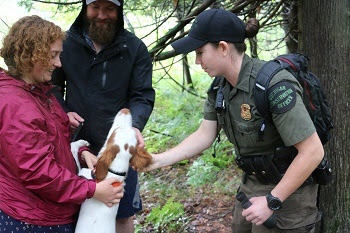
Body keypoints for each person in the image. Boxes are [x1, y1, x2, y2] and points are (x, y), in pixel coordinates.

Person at [142, 9, 324, 233]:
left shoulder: (274, 85)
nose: (197, 61)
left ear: (223, 47)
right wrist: (157, 160)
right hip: (250, 189)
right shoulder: (220, 88)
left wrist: (272, 200)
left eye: (200, 52)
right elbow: (204, 134)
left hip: (290, 198)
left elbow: (313, 151)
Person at [0, 15, 124, 233]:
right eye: (52, 56)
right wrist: (93, 190)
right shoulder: (16, 105)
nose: (58, 64)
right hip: (31, 220)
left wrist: (80, 152)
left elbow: (54, 141)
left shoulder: (39, 92)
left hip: (50, 209)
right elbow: (38, 172)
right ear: (31, 56)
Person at [51, 0, 155, 232]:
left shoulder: (134, 48)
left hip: (117, 149)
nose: (101, 15)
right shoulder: (67, 44)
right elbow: (52, 88)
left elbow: (142, 95)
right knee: (72, 211)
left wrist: (135, 125)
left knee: (122, 213)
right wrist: (64, 112)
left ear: (118, 11)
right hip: (75, 144)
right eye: (95, 7)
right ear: (85, 8)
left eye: (109, 8)